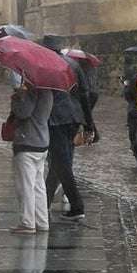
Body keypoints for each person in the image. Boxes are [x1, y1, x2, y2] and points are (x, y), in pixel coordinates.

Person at [41, 34, 98, 222]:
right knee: (60, 162)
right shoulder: (73, 65)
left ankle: (77, 206)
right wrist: (89, 124)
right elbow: (85, 95)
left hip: (56, 120)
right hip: (74, 118)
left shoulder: (45, 65)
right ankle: (46, 200)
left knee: (61, 164)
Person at [9, 78, 54, 234]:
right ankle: (42, 221)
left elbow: (24, 112)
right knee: (38, 185)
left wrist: (18, 97)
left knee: (26, 185)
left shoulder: (32, 89)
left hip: (27, 140)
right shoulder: (48, 90)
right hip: (42, 141)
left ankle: (27, 222)